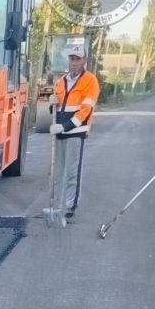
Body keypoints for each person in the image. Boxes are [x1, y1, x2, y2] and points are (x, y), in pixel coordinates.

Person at [49, 44, 100, 221]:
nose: (75, 62)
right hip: (60, 132)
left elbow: (85, 110)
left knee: (72, 172)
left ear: (84, 60)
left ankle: (71, 207)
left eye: (78, 59)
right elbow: (58, 108)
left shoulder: (90, 81)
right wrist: (52, 104)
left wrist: (65, 126)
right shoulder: (61, 81)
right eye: (72, 59)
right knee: (57, 173)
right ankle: (55, 205)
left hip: (76, 132)